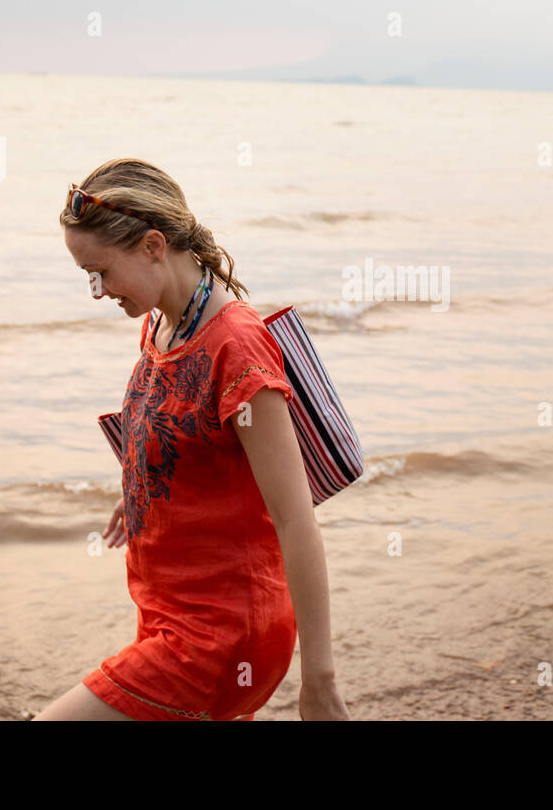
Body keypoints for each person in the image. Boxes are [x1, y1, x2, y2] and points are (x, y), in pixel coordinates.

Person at [36, 158, 350, 721]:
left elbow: (295, 519)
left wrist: (319, 682)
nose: (96, 290)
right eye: (87, 275)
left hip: (221, 634)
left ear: (154, 246)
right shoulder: (161, 323)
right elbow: (188, 439)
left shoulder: (236, 345)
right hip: (166, 610)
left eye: (101, 271)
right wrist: (144, 489)